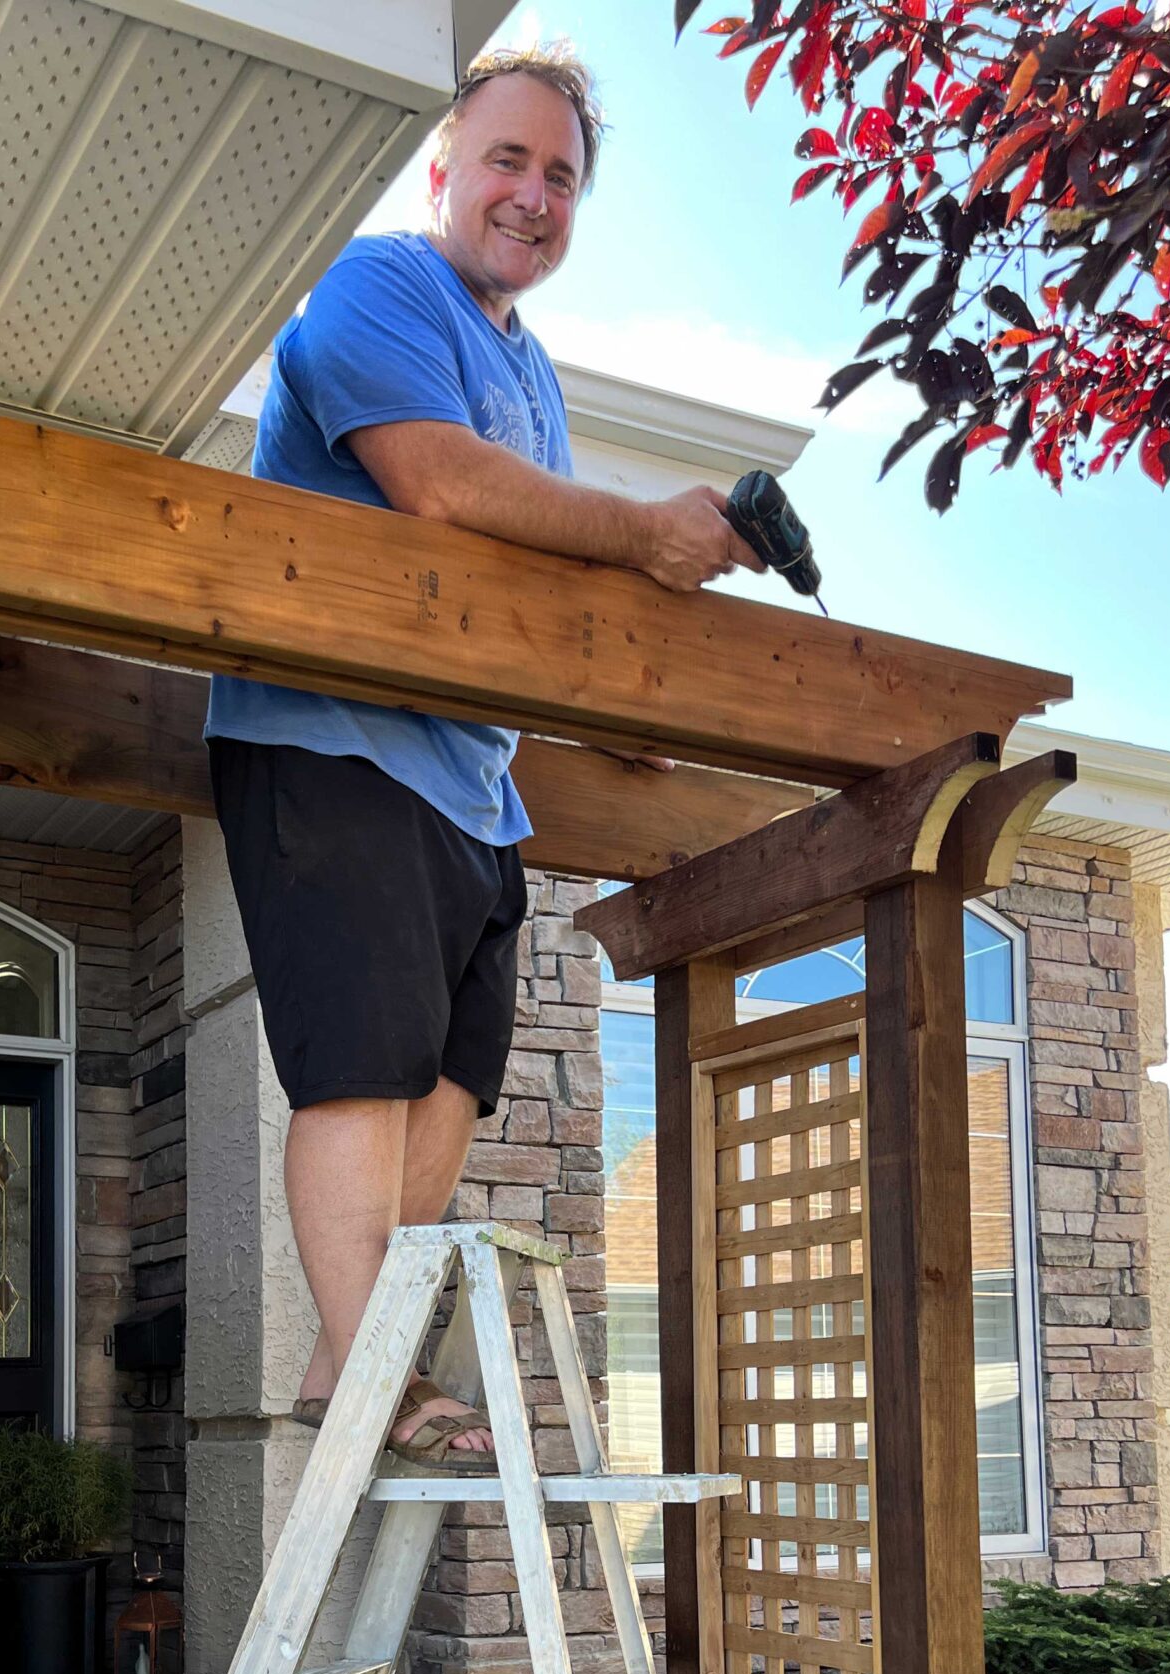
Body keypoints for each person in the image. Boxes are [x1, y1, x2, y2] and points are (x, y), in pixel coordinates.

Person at [205, 41, 762, 1470]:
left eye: (560, 175)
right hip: (332, 739)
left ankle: (351, 1362)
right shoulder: (385, 284)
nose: (532, 194)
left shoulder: (538, 378)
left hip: (471, 785)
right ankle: (379, 1375)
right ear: (447, 167)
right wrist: (642, 530)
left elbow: (542, 591)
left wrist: (631, 703)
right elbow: (441, 490)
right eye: (507, 160)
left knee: (448, 1092)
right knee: (360, 1075)